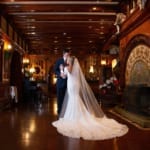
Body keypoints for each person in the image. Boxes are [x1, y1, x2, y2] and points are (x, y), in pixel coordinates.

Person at [52, 56, 128, 140]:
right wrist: (62, 70)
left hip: (73, 84)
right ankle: (74, 115)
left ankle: (75, 117)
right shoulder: (72, 65)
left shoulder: (69, 65)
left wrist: (63, 68)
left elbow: (69, 72)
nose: (67, 60)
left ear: (71, 60)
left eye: (68, 60)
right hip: (72, 83)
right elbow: (64, 75)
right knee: (74, 98)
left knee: (74, 98)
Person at [54, 49, 70, 115]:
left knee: (67, 97)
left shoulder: (70, 61)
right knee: (59, 97)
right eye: (67, 54)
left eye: (69, 54)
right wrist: (60, 74)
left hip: (68, 82)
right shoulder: (59, 60)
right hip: (60, 82)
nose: (68, 56)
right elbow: (55, 70)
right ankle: (60, 110)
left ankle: (67, 111)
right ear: (63, 54)